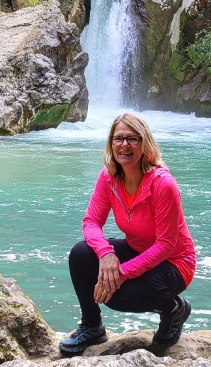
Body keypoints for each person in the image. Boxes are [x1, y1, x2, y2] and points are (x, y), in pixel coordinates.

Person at [59, 112, 196, 354]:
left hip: (174, 264)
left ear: (145, 144)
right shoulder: (109, 176)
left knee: (117, 295)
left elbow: (165, 245)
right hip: (137, 249)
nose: (124, 145)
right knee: (81, 254)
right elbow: (91, 221)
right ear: (111, 143)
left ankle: (173, 308)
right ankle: (92, 326)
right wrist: (106, 254)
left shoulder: (163, 184)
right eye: (118, 139)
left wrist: (122, 272)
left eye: (132, 139)